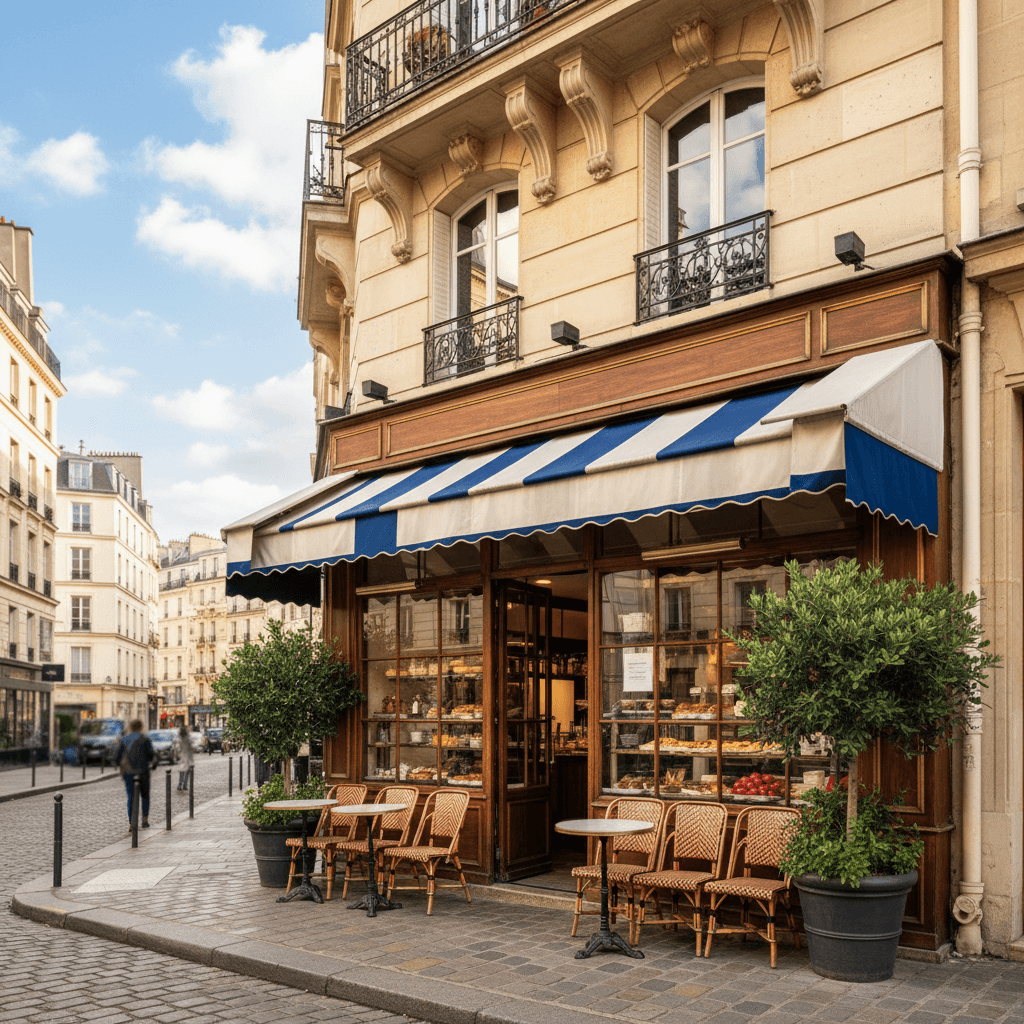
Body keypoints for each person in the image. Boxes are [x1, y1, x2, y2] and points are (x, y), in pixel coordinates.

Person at [115, 720, 154, 830]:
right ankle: (145, 819)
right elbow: (151, 755)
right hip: (143, 771)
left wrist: (120, 765)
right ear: (141, 727)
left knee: (131, 797)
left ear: (130, 727)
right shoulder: (145, 739)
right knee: (145, 795)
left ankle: (132, 823)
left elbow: (117, 756)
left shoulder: (124, 739)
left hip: (128, 772)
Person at [172, 725, 194, 791]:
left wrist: (176, 756)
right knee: (187, 771)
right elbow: (190, 749)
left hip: (181, 756)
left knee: (181, 771)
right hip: (186, 757)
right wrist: (191, 760)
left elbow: (176, 749)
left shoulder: (179, 739)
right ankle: (185, 785)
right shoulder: (187, 739)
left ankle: (180, 784)